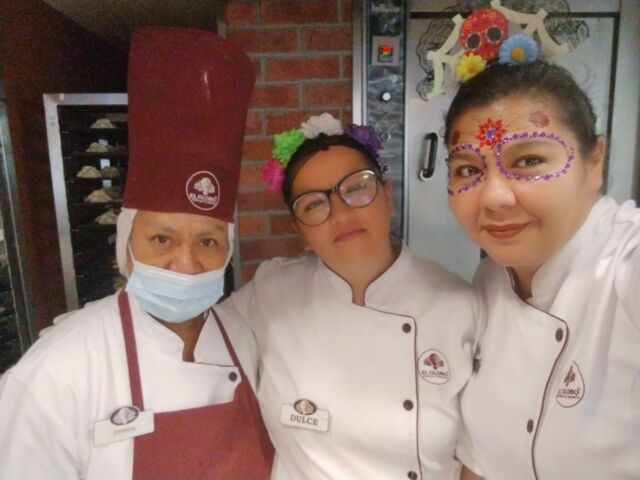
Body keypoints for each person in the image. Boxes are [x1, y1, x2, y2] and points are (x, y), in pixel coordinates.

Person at [0, 27, 274, 479]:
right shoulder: (56, 372)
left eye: (207, 241)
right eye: (162, 239)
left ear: (228, 251)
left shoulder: (243, 340)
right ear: (126, 245)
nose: (185, 264)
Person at [215, 113, 481, 479]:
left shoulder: (461, 307)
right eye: (313, 204)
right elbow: (193, 344)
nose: (340, 214)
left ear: (387, 196)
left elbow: (482, 458)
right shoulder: (272, 292)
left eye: (356, 188)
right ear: (301, 232)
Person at [443, 60, 640, 480]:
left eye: (529, 160)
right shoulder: (490, 279)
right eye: (468, 170)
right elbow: (479, 461)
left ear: (595, 161)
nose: (493, 197)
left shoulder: (626, 266)